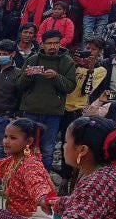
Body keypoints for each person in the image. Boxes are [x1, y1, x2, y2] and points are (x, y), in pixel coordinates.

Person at [17, 30, 76, 169]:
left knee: (48, 149)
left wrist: (56, 77)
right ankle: (23, 176)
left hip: (53, 112)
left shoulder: (67, 61)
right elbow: (19, 85)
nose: (52, 46)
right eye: (49, 43)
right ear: (42, 44)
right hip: (31, 110)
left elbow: (70, 87)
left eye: (56, 43)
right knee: (26, 146)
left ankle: (44, 178)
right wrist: (27, 76)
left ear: (60, 44)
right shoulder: (33, 59)